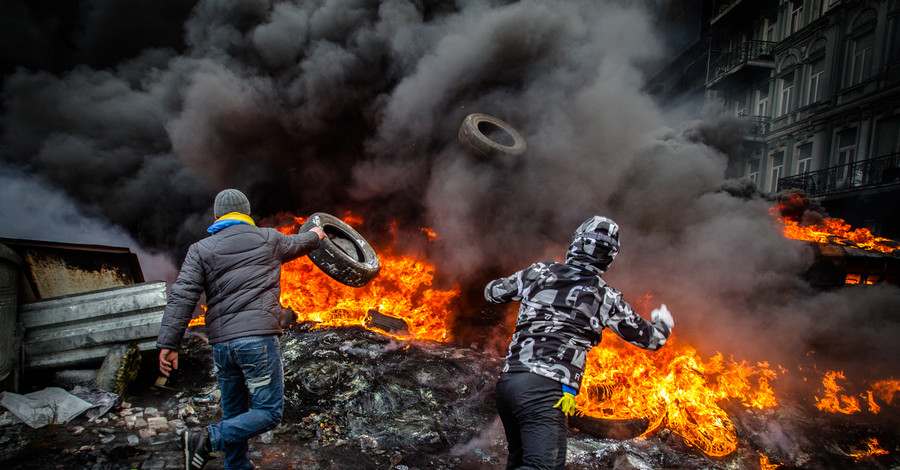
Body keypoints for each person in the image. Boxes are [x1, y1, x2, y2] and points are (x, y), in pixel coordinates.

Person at [485, 215, 674, 469]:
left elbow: (492, 292)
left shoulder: (538, 272)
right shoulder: (604, 295)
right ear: (609, 258)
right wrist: (663, 322)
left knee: (519, 460)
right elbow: (652, 340)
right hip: (543, 392)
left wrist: (526, 286)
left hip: (509, 385)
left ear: (575, 244)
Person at [156, 189, 326, 470]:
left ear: (217, 216)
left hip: (223, 344)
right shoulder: (269, 238)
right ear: (246, 214)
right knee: (269, 413)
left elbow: (182, 297)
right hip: (258, 342)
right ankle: (207, 439)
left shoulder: (201, 249)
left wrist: (169, 344)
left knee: (233, 411)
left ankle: (236, 466)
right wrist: (318, 235)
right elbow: (302, 242)